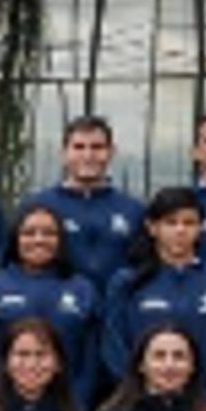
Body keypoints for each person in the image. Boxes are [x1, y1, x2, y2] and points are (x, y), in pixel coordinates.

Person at [102, 188, 206, 402]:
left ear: (201, 228)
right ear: (152, 227)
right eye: (170, 223)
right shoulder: (126, 282)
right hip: (142, 406)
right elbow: (114, 347)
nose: (180, 230)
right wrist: (142, 395)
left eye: (189, 223)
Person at [0, 201, 97, 401]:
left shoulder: (83, 289)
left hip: (67, 408)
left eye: (49, 233)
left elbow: (90, 362)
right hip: (2, 407)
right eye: (29, 233)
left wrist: (77, 404)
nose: (39, 240)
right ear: (15, 238)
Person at [23, 113, 139, 291]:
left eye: (97, 147)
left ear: (111, 152)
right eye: (78, 147)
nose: (88, 155)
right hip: (57, 312)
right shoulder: (37, 206)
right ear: (63, 153)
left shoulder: (133, 210)